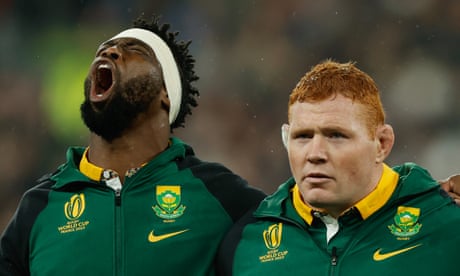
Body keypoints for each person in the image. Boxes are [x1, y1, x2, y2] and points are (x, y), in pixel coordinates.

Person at [0, 15, 266, 276]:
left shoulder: (218, 194)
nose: (111, 51)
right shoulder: (39, 206)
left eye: (134, 50)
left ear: (166, 93)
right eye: (103, 50)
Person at [216, 60, 460, 275]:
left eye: (336, 136)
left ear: (382, 144)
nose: (315, 154)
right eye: (302, 136)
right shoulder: (246, 241)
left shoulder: (445, 223)